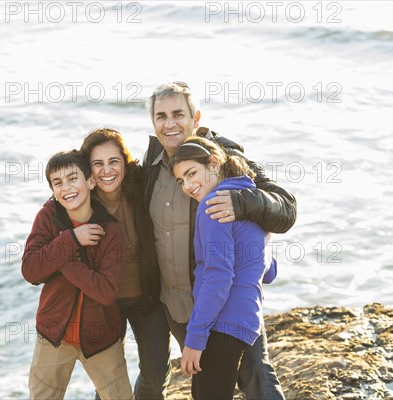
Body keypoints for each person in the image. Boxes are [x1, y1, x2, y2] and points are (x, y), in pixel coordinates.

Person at [142, 82, 297, 399]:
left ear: (195, 118)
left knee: (255, 378)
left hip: (223, 302)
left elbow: (285, 208)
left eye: (178, 114)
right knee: (158, 379)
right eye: (161, 116)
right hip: (173, 303)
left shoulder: (225, 158)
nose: (169, 124)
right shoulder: (152, 163)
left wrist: (242, 203)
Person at [169, 137, 278, 399]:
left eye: (192, 173)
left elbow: (218, 277)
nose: (188, 185)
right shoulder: (248, 199)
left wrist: (194, 339)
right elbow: (269, 271)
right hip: (247, 318)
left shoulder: (212, 205)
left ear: (214, 164)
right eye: (181, 180)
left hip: (222, 322)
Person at [21, 149, 133, 400]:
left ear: (90, 182)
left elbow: (106, 292)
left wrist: (62, 258)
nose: (66, 188)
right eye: (57, 183)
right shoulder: (47, 217)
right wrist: (71, 240)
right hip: (53, 335)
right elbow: (30, 270)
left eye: (73, 178)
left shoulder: (110, 230)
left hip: (101, 337)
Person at [81, 128, 171, 400]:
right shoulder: (79, 201)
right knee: (109, 385)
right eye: (98, 164)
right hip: (104, 303)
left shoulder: (141, 186)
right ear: (88, 170)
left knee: (155, 379)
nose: (106, 170)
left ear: (124, 161)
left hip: (148, 297)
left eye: (113, 161)